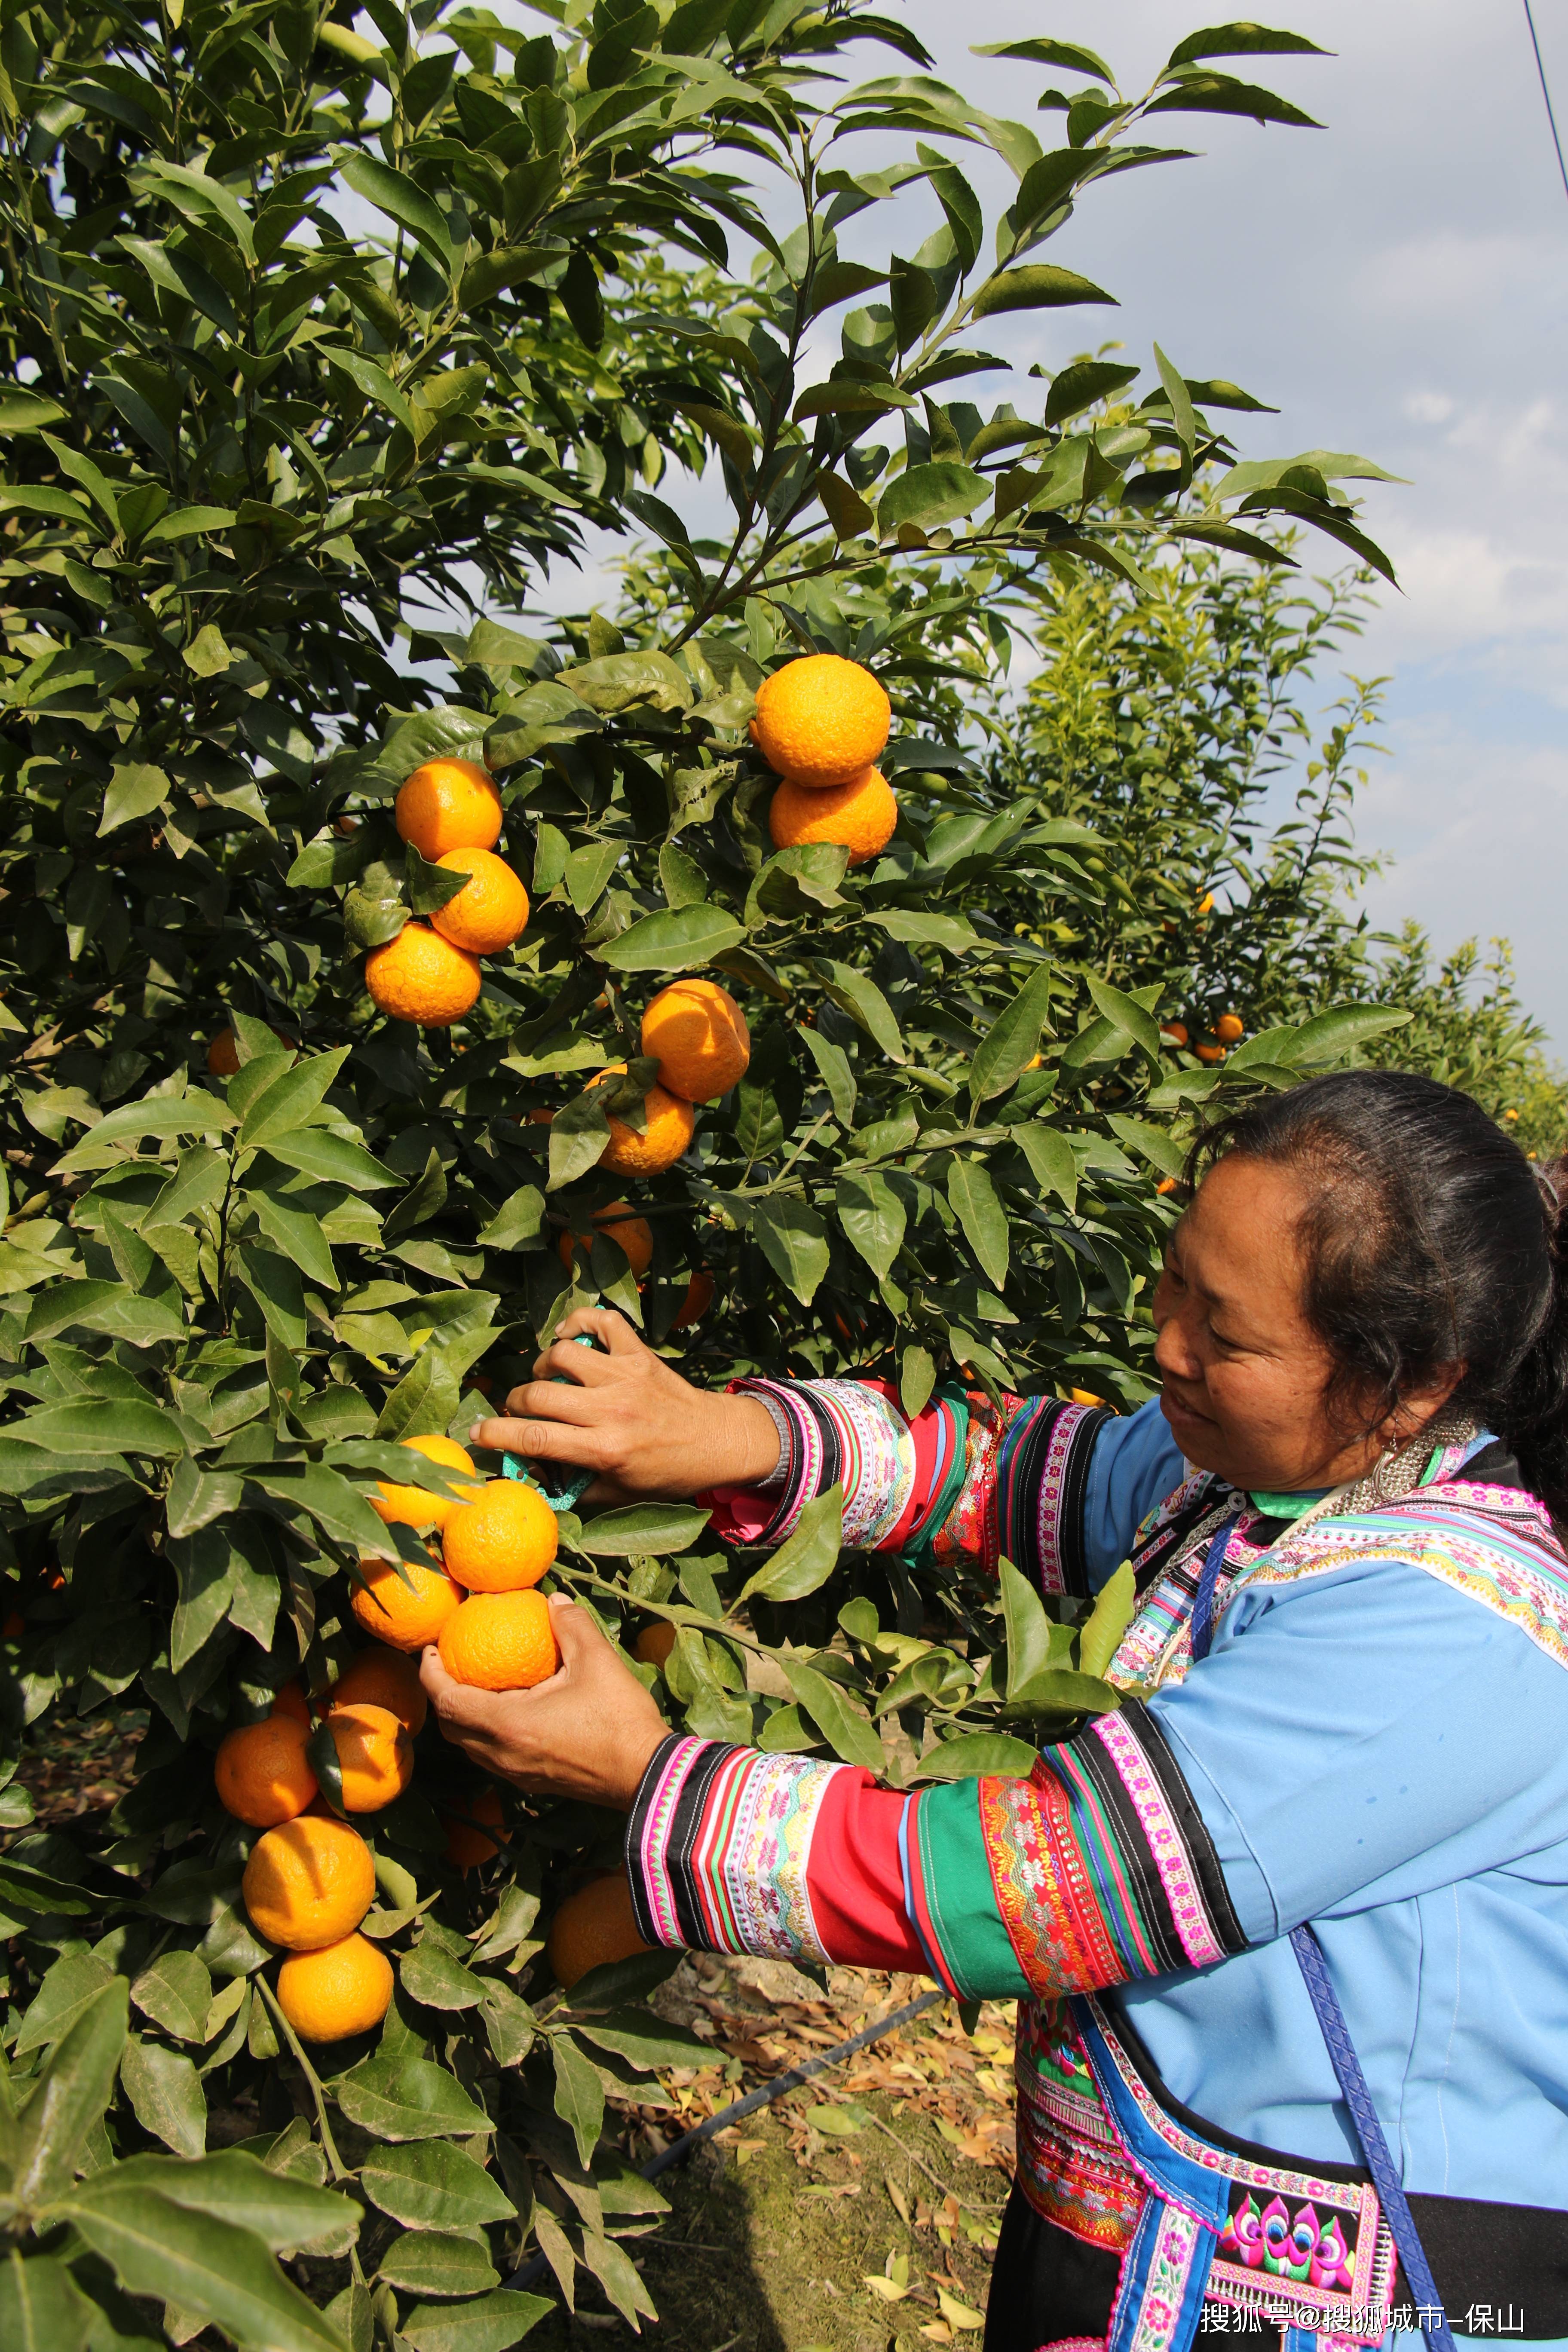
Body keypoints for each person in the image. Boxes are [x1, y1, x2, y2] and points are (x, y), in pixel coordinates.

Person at [420, 1071, 1568, 2352]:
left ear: (1410, 1388)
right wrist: (726, 1435)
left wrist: (650, 1776)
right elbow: (1012, 1468)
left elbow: (1048, 1881)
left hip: (1355, 2305)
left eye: (1228, 1335)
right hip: (1127, 2228)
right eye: (1176, 1280)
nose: (1169, 1345)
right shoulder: (1250, 1478)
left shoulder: (1456, 1631)